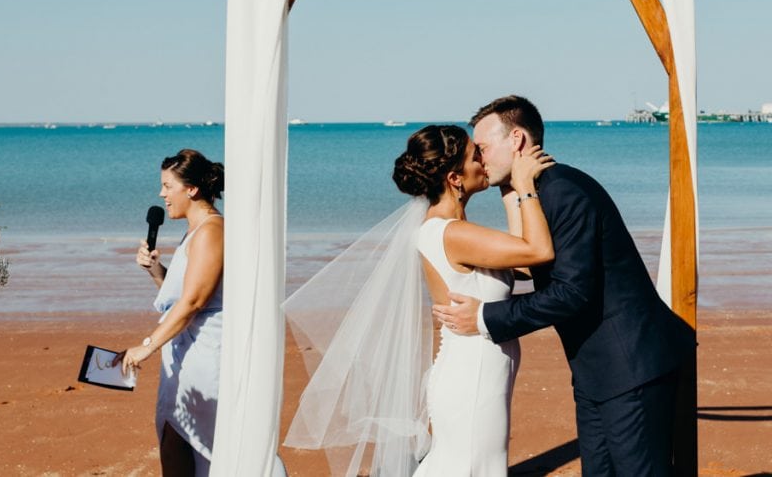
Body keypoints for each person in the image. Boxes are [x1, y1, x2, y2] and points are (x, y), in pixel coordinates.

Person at [434, 96, 695, 476]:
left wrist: (486, 317)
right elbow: (530, 260)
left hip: (631, 364)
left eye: (484, 148)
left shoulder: (564, 192)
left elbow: (571, 292)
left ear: (517, 140)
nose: (479, 158)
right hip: (595, 370)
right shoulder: (539, 192)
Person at [283, 124, 554, 476]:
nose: (484, 161)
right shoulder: (452, 233)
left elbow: (521, 262)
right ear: (455, 178)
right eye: (476, 155)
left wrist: (508, 190)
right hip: (472, 378)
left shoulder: (451, 229)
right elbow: (539, 250)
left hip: (475, 372)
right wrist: (525, 187)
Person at [119, 149, 225, 477]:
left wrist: (147, 345)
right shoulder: (193, 232)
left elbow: (193, 302)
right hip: (181, 354)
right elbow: (184, 296)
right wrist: (156, 271)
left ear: (191, 189)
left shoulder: (212, 231)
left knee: (203, 447)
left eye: (167, 186)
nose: (161, 194)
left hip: (205, 357)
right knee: (173, 440)